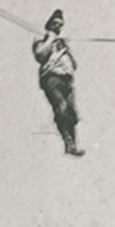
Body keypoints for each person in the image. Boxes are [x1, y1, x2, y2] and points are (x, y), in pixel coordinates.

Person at [33, 10, 82, 155]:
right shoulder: (42, 39)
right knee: (61, 107)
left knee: (71, 113)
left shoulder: (61, 44)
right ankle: (67, 139)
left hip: (66, 79)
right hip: (52, 78)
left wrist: (66, 50)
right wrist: (50, 39)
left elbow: (74, 65)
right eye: (55, 24)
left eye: (60, 25)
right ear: (49, 24)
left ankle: (72, 144)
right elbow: (40, 55)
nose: (58, 28)